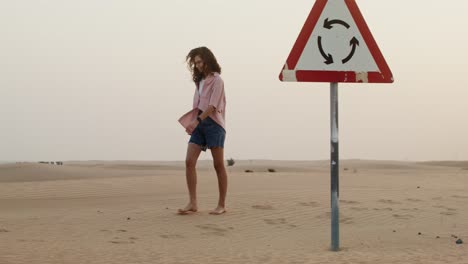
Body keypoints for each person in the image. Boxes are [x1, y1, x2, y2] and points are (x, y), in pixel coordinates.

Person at [178, 47, 228, 215]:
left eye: (199, 61)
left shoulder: (217, 80)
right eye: (195, 63)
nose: (197, 65)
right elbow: (198, 106)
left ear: (208, 60)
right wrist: (194, 122)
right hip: (199, 125)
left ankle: (221, 205)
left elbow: (212, 106)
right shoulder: (199, 81)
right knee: (189, 162)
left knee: (218, 165)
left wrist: (196, 122)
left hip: (214, 125)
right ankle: (193, 203)